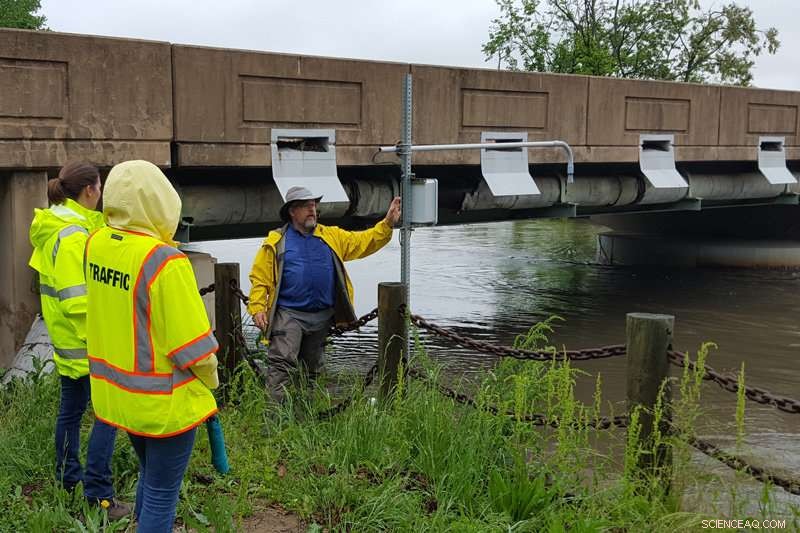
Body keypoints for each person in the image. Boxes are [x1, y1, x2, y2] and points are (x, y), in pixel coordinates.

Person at [84, 160, 219, 532]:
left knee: (150, 477)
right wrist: (212, 379)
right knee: (162, 493)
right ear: (161, 201)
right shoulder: (165, 261)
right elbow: (192, 348)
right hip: (165, 403)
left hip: (119, 396)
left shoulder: (96, 245)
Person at [28, 162, 131, 519]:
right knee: (108, 413)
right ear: (90, 190)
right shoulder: (71, 237)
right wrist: (104, 339)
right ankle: (99, 496)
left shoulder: (59, 225)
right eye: (100, 187)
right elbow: (76, 300)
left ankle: (67, 481)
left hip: (66, 342)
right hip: (86, 342)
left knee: (70, 412)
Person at [248, 186, 401, 402]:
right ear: (292, 211)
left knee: (312, 371)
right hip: (288, 314)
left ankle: (306, 420)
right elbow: (260, 278)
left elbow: (363, 242)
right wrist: (257, 309)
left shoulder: (331, 236)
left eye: (314, 205)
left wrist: (387, 224)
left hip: (321, 316)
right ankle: (275, 425)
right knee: (281, 365)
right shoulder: (276, 241)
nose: (313, 210)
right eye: (306, 206)